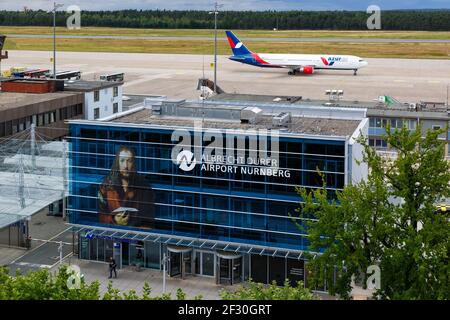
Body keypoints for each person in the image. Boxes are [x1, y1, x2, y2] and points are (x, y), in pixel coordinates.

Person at [98, 146, 156, 229]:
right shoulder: (106, 186)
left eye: (129, 161)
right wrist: (115, 220)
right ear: (117, 163)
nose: (125, 166)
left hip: (136, 235)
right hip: (112, 234)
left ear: (134, 163)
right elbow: (101, 216)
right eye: (122, 161)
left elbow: (149, 220)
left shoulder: (144, 187)